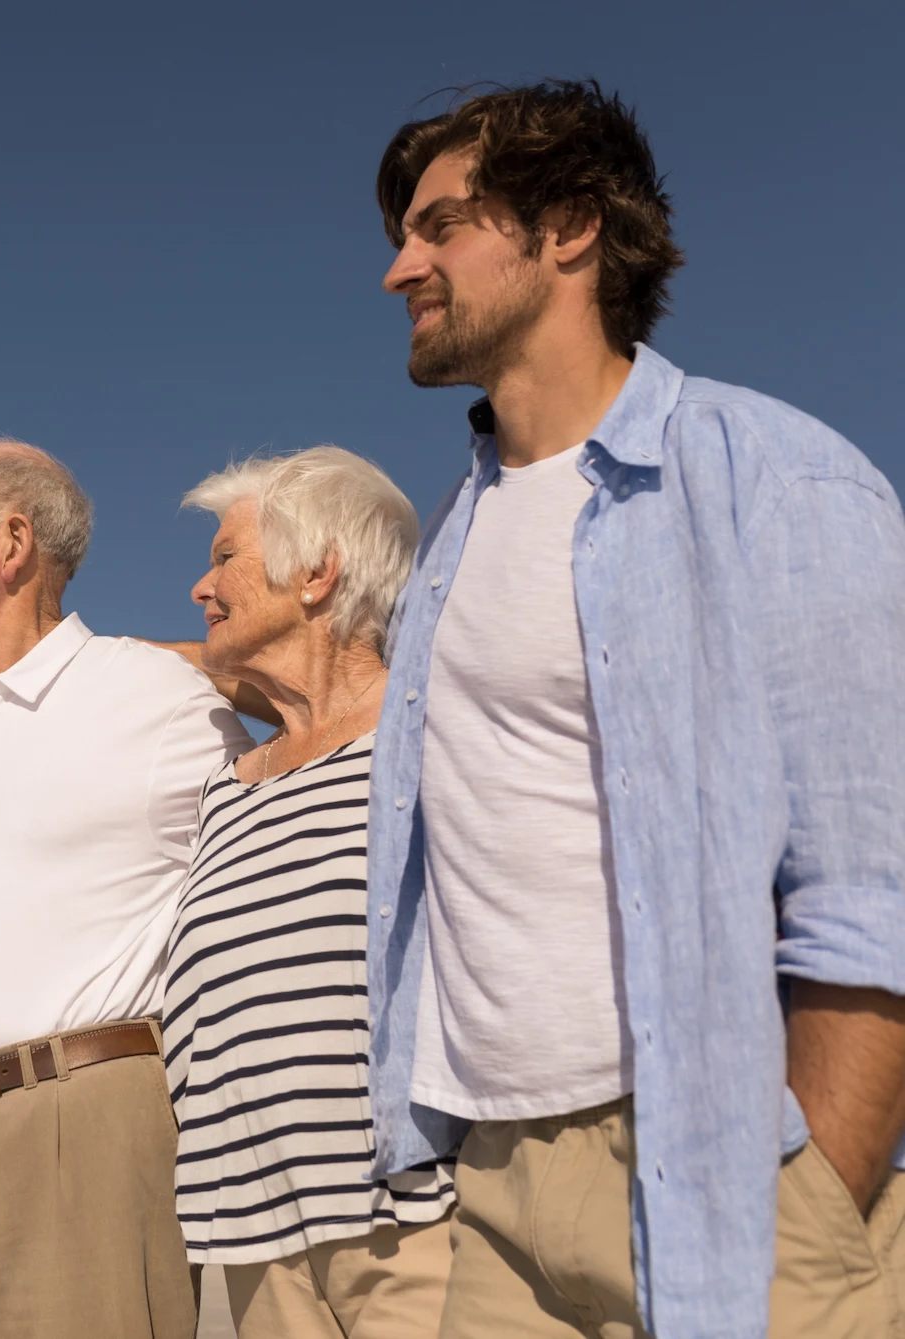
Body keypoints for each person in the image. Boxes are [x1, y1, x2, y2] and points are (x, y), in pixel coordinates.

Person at [366, 80, 905, 1339]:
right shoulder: (447, 538)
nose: (399, 268)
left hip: (723, 1165)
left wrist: (815, 1182)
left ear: (567, 229)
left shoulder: (777, 478)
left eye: (440, 226)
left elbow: (869, 885)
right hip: (493, 1186)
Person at [0, 436, 251, 1339]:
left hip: (80, 1128)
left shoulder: (158, 691)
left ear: (13, 542)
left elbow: (333, 700)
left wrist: (214, 665)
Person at [165, 446, 453, 1339]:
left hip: (406, 1222)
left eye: (223, 559)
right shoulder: (231, 782)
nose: (199, 588)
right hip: (248, 1235)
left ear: (319, 571)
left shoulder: (428, 735)